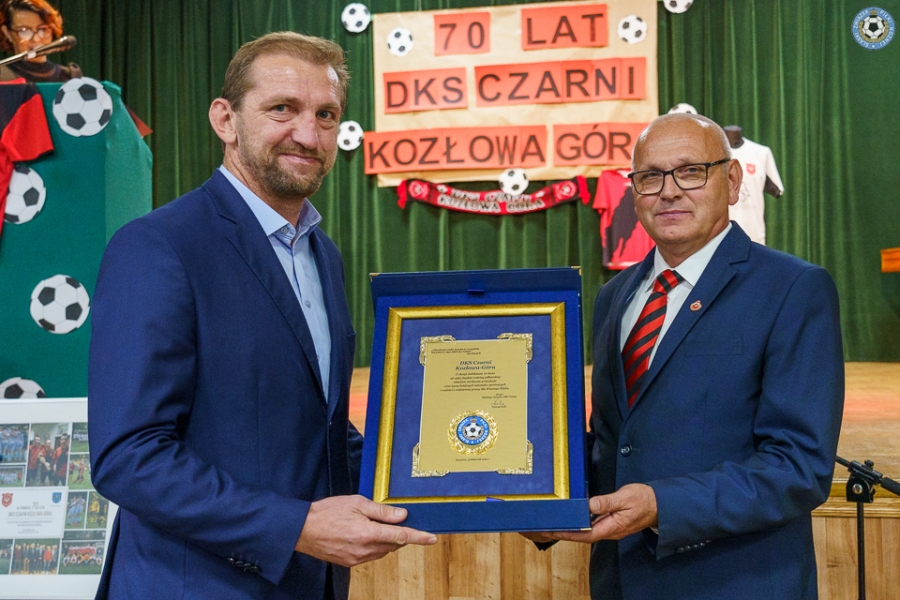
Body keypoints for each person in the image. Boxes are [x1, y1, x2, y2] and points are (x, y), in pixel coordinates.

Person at [88, 31, 436, 600]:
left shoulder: (322, 255)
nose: (308, 134)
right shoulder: (158, 247)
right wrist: (295, 527)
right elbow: (129, 456)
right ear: (225, 120)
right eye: (283, 109)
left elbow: (313, 428)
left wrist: (477, 480)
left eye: (326, 115)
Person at [535, 114, 844, 599]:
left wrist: (663, 504)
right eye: (650, 176)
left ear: (733, 180)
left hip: (736, 583)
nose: (670, 191)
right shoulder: (613, 297)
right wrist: (544, 502)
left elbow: (799, 466)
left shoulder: (793, 289)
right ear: (633, 191)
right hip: (621, 583)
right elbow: (615, 445)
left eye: (691, 171)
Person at [0, 0, 81, 82]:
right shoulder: (2, 76)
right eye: (24, 31)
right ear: (7, 33)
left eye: (43, 29)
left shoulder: (70, 76)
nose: (36, 39)